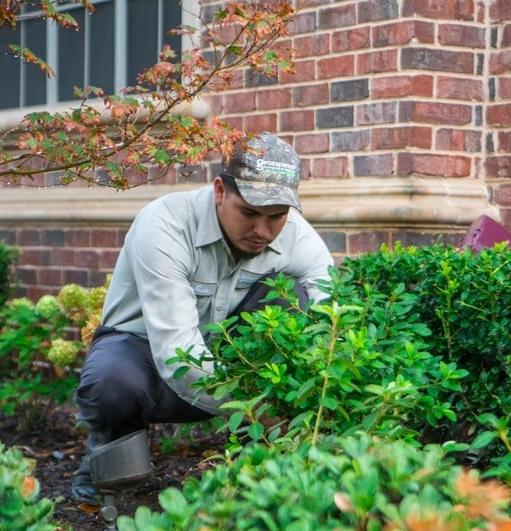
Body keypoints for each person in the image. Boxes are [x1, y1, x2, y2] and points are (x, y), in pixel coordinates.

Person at [71, 133, 334, 504]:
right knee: (112, 380)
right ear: (219, 191)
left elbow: (332, 321)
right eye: (249, 213)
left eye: (276, 216)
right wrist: (256, 408)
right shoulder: (165, 225)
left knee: (290, 297)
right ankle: (108, 462)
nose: (263, 231)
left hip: (232, 361)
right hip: (147, 361)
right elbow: (176, 351)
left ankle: (257, 470)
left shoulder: (297, 238)